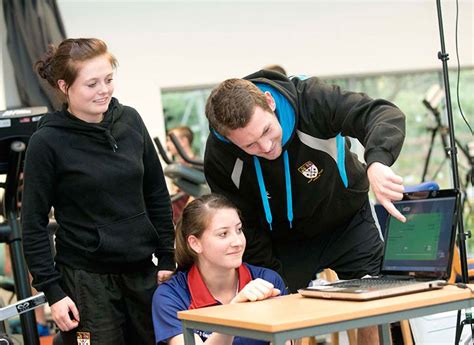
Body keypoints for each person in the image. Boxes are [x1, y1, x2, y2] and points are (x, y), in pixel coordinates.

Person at [203, 70, 406, 345]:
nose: (266, 147)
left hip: (345, 218)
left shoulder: (312, 101)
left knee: (370, 308)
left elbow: (379, 113)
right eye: (250, 144)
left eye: (266, 131)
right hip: (283, 237)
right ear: (229, 139)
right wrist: (271, 276)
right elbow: (243, 221)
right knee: (277, 314)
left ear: (269, 102)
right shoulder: (219, 154)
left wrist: (378, 161)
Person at [21, 38, 175, 345]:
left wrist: (167, 256)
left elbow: (157, 193)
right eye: (92, 84)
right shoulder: (47, 141)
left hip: (142, 272)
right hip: (86, 280)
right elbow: (33, 224)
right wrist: (53, 291)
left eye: (108, 79)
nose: (104, 90)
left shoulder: (130, 120)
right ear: (65, 87)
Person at [152, 193, 288, 345]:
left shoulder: (268, 281)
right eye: (223, 234)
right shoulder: (171, 296)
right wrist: (234, 312)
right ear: (195, 243)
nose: (238, 242)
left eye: (239, 230)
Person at [166, 126, 196, 224]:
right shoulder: (176, 168)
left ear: (184, 141)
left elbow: (196, 195)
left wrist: (182, 219)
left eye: (170, 140)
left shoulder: (196, 166)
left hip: (186, 221)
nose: (167, 145)